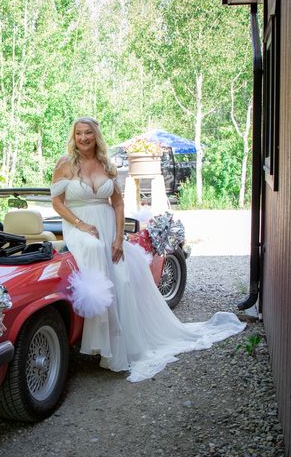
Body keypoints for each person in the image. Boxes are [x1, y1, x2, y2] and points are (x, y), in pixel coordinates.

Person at [51, 117, 245, 382]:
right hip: (80, 227)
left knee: (122, 278)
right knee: (96, 251)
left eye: (88, 133)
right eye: (79, 133)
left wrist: (120, 239)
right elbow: (57, 203)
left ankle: (124, 349)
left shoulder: (107, 163)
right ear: (73, 136)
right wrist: (80, 224)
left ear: (96, 136)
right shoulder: (64, 164)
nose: (83, 138)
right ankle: (100, 343)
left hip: (109, 226)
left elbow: (118, 204)